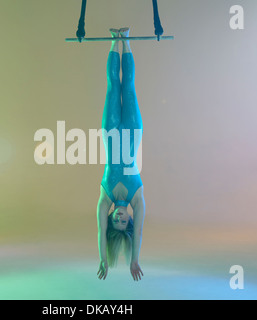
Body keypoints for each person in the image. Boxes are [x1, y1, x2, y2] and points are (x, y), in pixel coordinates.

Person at [97, 28, 145, 281]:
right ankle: (124, 39)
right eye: (123, 222)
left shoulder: (105, 198)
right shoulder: (137, 198)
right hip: (132, 131)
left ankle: (114, 40)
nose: (119, 217)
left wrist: (103, 258)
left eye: (115, 220)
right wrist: (134, 259)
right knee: (129, 87)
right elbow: (138, 234)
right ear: (129, 221)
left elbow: (100, 229)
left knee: (112, 87)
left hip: (111, 131)